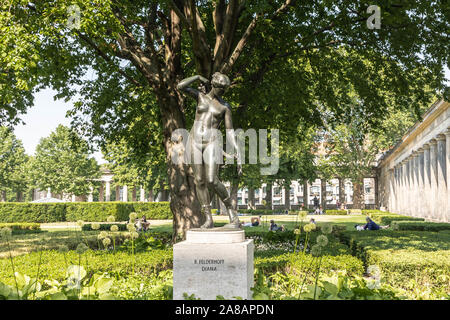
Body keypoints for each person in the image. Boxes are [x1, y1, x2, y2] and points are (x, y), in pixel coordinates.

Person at [177, 73, 242, 229]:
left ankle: (232, 213)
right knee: (199, 180)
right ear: (214, 85)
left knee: (212, 180)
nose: (222, 92)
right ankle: (208, 218)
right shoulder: (200, 96)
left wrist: (239, 154)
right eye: (220, 88)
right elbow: (180, 86)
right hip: (194, 142)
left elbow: (230, 132)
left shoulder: (225, 107)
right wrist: (198, 77)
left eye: (225, 89)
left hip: (212, 142)